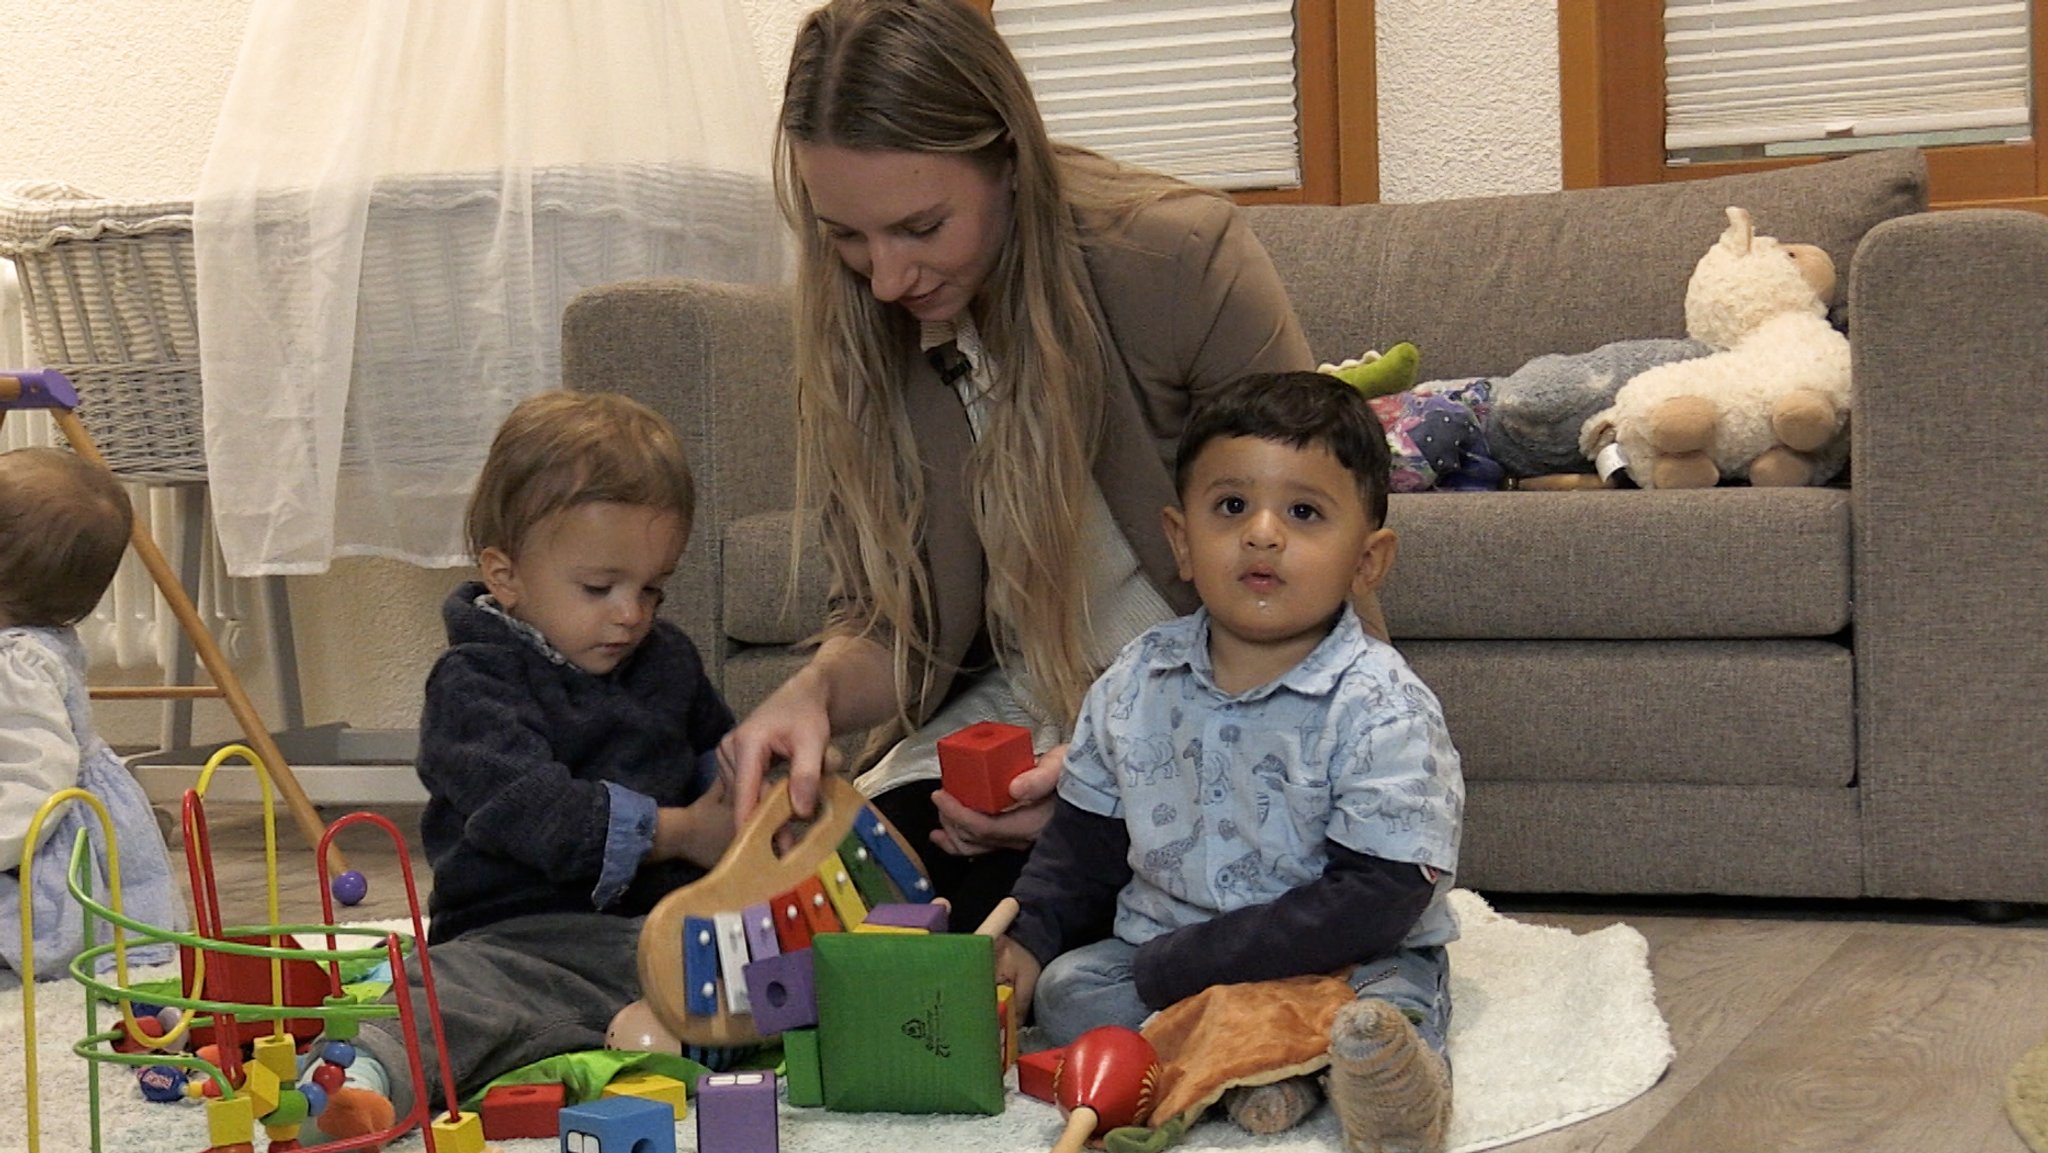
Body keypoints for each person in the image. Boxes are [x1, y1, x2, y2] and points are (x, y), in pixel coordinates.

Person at [719, 0, 1371, 934]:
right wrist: (815, 690)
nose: (888, 279)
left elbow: (1314, 555)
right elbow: (891, 626)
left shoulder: (1182, 259)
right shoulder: (863, 321)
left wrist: (1130, 769)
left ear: (1010, 164)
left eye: (921, 225)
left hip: (1226, 712)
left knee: (1101, 928)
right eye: (849, 239)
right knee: (836, 914)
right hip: (1018, 725)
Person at [998, 371, 1464, 1150]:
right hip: (1163, 946)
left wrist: (1194, 965)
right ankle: (1263, 1070)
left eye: (1305, 512)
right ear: (1183, 540)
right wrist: (1031, 935)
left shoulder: (1380, 701)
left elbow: (1379, 896)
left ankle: (1364, 1081)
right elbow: (1082, 844)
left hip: (1336, 958)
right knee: (1070, 990)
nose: (1263, 533)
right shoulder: (1136, 679)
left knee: (1388, 1003)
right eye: (1232, 507)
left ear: (1368, 560)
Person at [299, 390, 741, 1145]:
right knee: (446, 998)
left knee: (780, 969)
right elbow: (536, 810)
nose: (632, 613)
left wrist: (758, 789)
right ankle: (360, 1077)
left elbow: (717, 754)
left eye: (653, 587)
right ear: (506, 576)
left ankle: (621, 1031)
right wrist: (680, 832)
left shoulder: (666, 657)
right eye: (600, 588)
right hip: (515, 938)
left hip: (657, 937)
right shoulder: (473, 683)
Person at [0, 447, 182, 979]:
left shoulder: (16, 666)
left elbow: (34, 787)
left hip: (38, 836)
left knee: (41, 939)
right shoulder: (34, 640)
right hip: (40, 816)